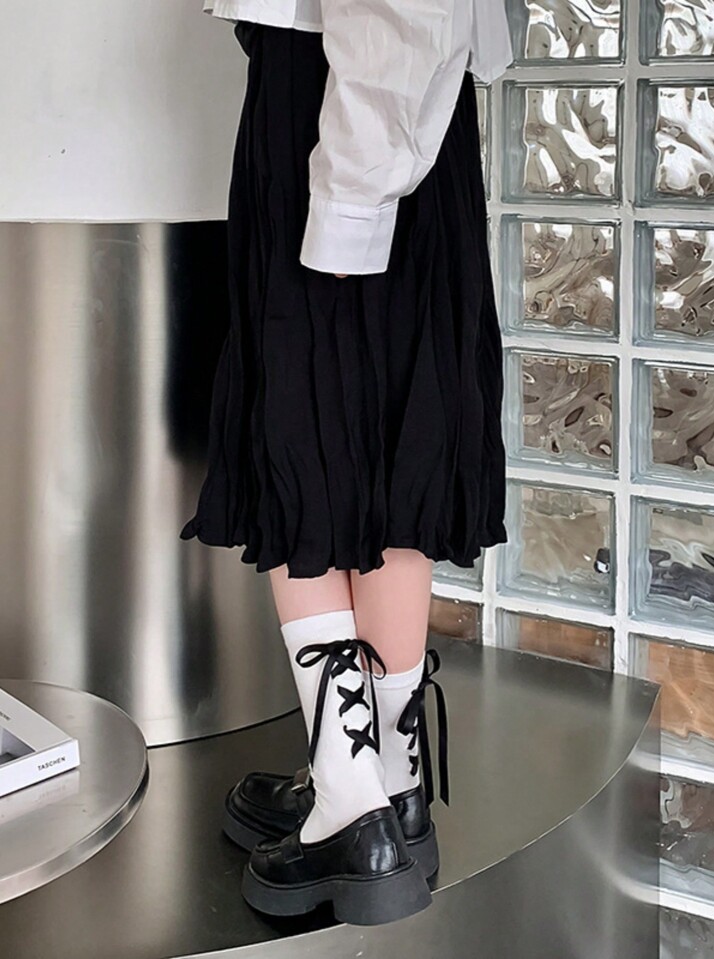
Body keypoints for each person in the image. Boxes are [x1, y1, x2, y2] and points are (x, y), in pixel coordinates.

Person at [180, 0, 512, 927]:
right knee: (391, 447)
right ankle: (387, 785)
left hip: (343, 104)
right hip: (394, 104)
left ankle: (350, 803)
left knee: (307, 444)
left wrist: (351, 194)